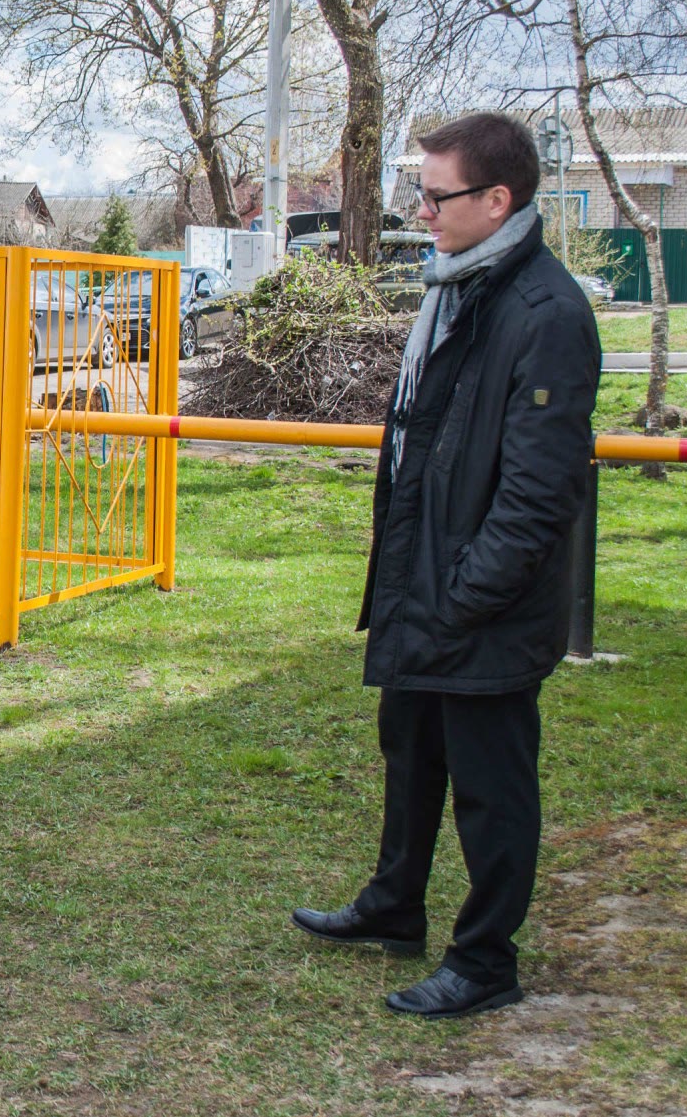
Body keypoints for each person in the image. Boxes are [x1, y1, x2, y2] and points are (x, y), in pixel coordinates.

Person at [291, 112, 601, 1019]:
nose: (418, 210)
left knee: (491, 787)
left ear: (496, 200)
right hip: (426, 587)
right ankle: (394, 904)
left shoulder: (545, 312)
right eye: (417, 193)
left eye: (434, 195)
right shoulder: (457, 287)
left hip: (482, 606)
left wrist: (465, 597)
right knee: (411, 750)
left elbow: (540, 495)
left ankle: (485, 960)